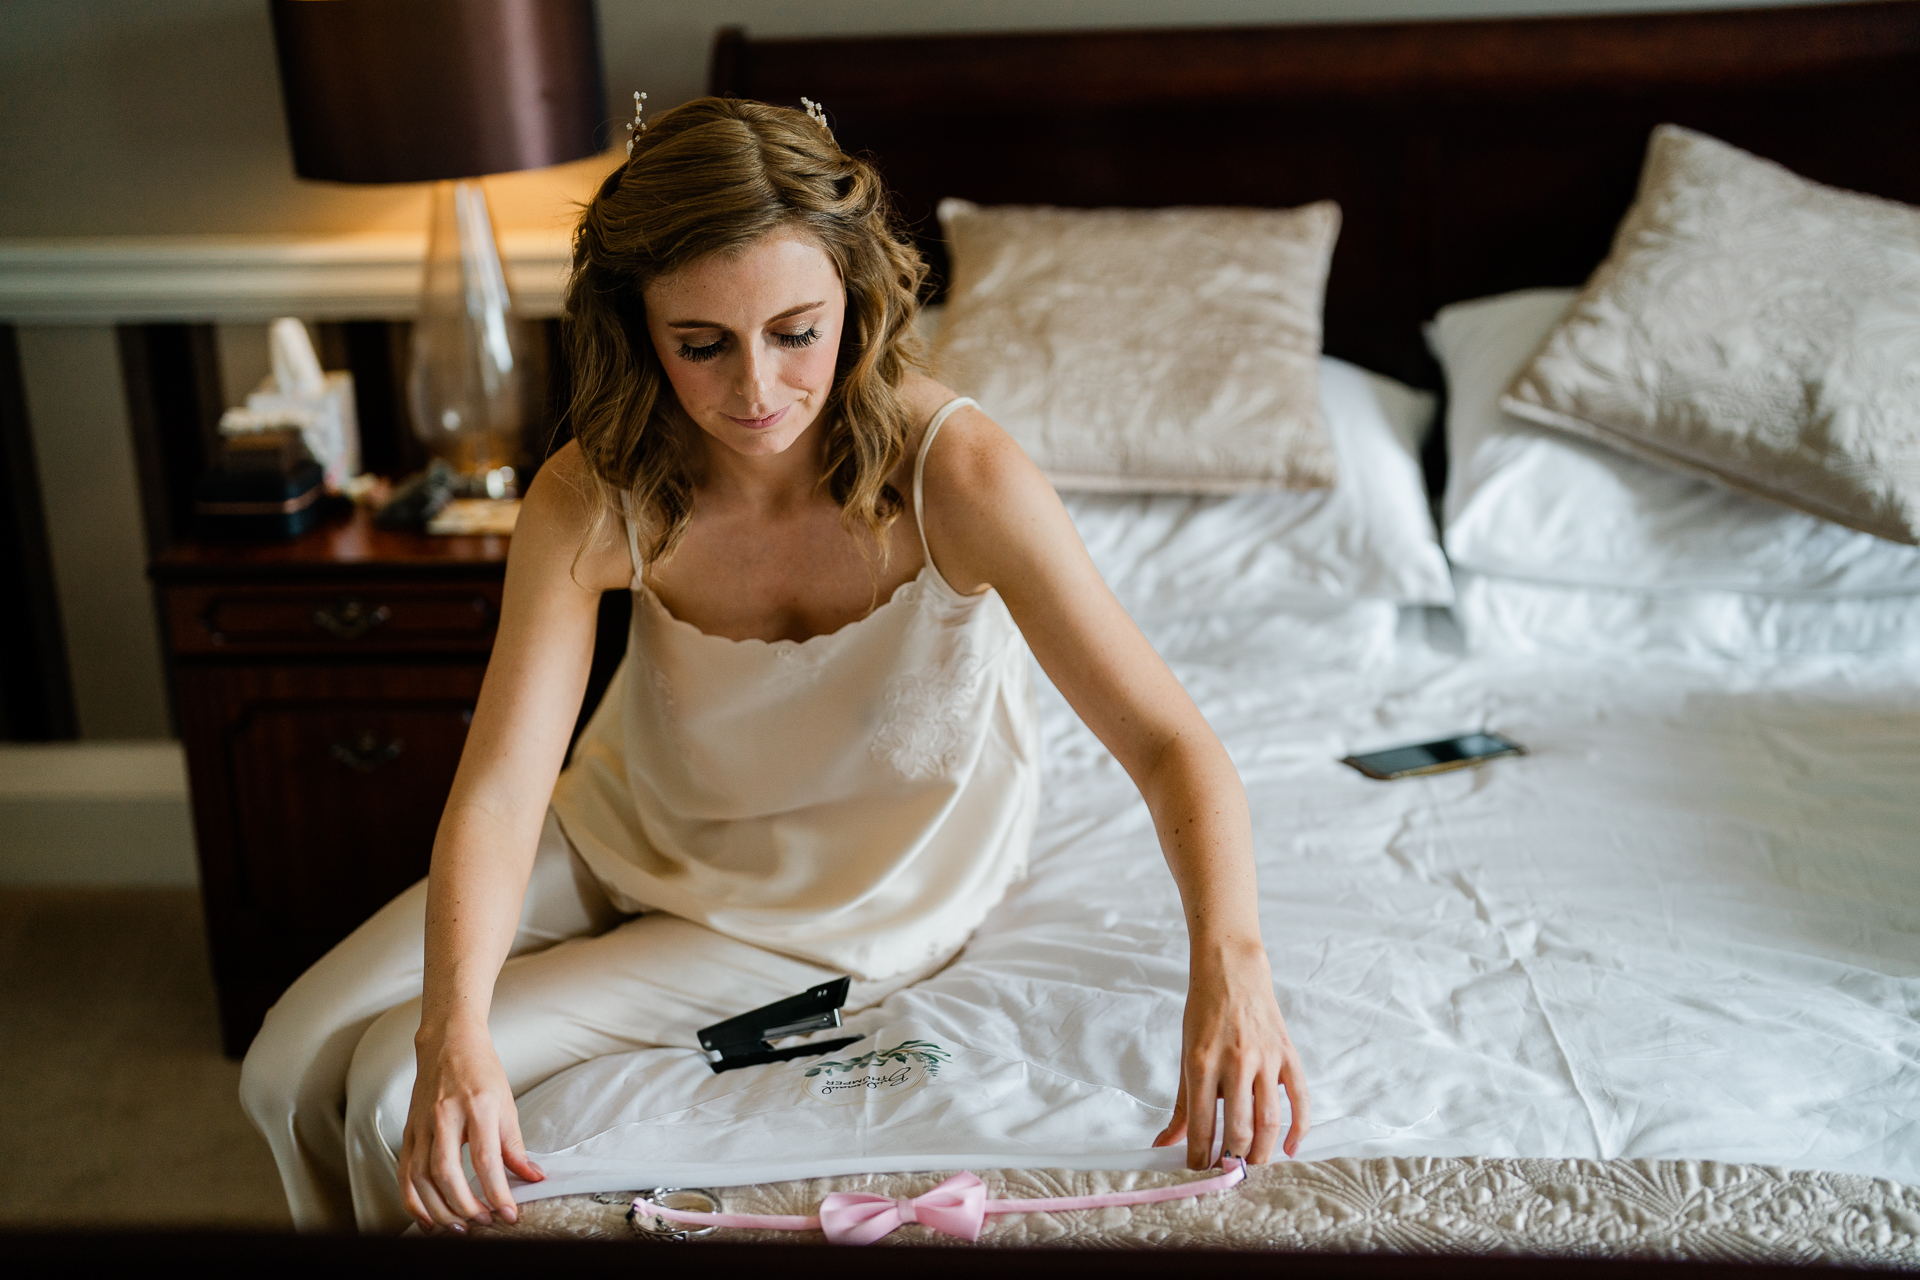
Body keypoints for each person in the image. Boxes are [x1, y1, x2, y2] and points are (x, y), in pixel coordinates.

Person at [239, 96, 1308, 1235]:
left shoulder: (966, 478)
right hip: (623, 824)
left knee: (383, 1089)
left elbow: (1169, 743)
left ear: (857, 297)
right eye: (701, 344)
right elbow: (503, 786)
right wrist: (454, 1016)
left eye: (796, 331)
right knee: (283, 1065)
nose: (755, 389)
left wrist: (1233, 967)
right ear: (638, 328)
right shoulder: (589, 493)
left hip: (823, 914)